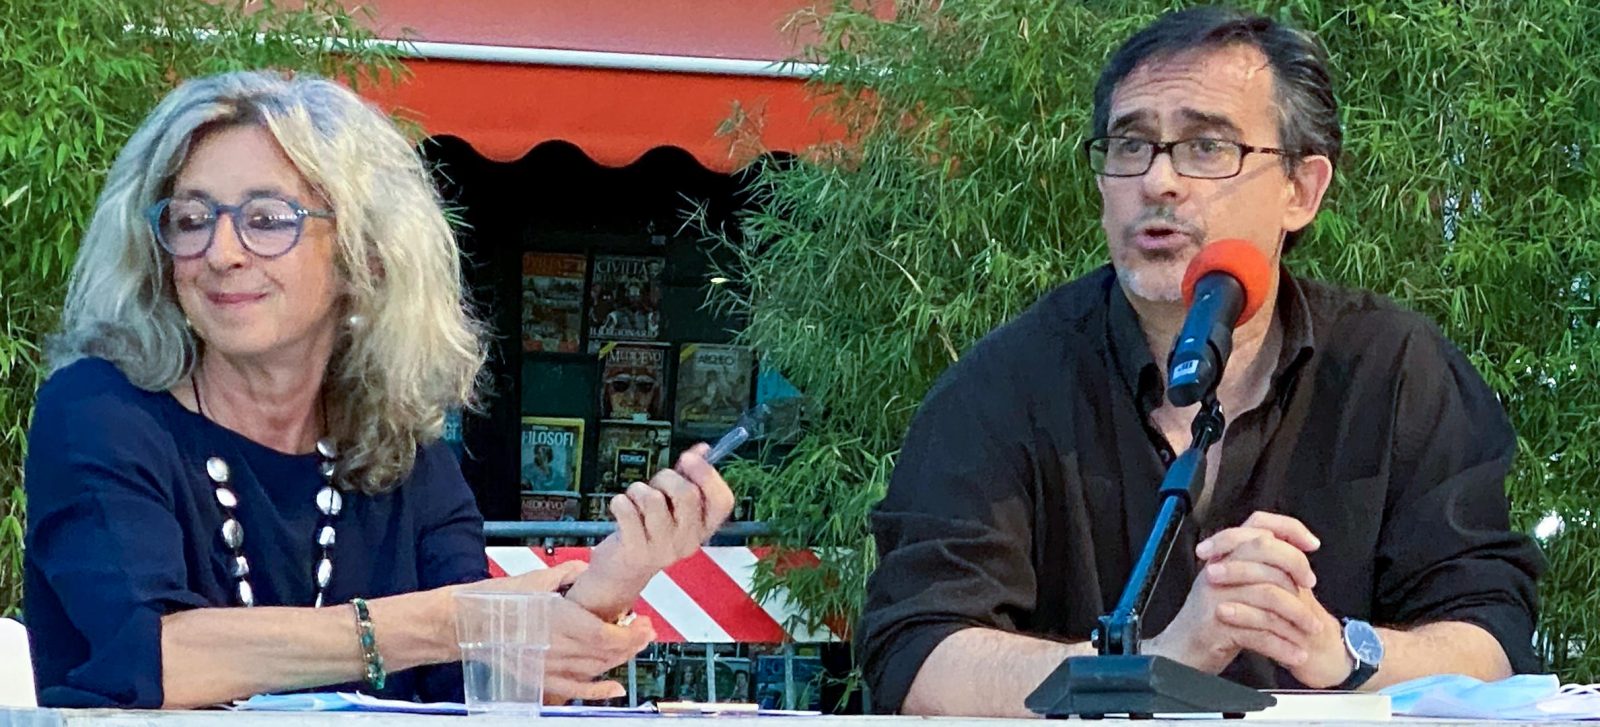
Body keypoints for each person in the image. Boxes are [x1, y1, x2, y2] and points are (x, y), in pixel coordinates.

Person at [860, 7, 1544, 717]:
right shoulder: (1005, 385)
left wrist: (1339, 650)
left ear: (1301, 190)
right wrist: (1159, 660)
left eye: (1206, 146)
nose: (1159, 181)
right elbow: (918, 658)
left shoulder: (1396, 370)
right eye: (1131, 145)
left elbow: (1493, 645)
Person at [23, 70, 736, 709]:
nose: (222, 251)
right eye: (191, 219)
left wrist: (614, 575)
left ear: (362, 255)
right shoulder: (98, 413)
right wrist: (451, 619)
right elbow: (150, 658)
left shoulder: (405, 457)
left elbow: (473, 684)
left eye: (266, 220)